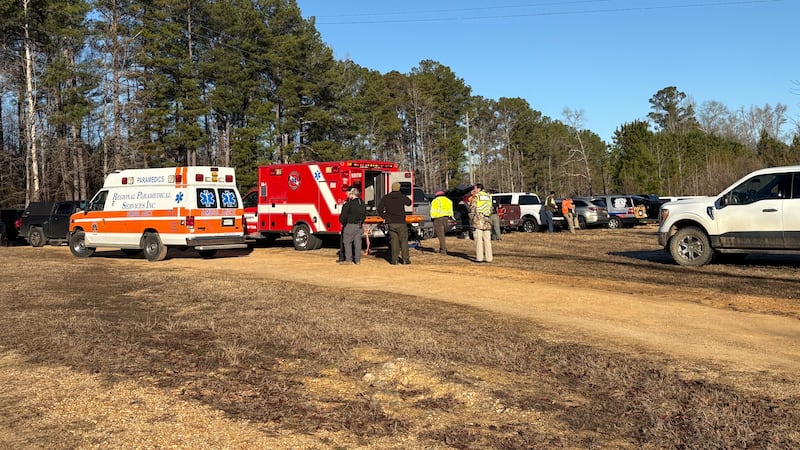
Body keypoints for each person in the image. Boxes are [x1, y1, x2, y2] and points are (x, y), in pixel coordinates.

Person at [378, 181, 412, 265]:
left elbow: (379, 209)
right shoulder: (401, 197)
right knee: (404, 241)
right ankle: (405, 260)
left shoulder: (386, 197)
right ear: (399, 188)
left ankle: (394, 260)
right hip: (401, 222)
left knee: (394, 242)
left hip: (391, 223)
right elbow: (409, 202)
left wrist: (385, 216)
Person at [339, 187, 366, 264]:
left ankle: (348, 260)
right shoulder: (362, 203)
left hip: (349, 225)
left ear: (352, 194)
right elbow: (364, 215)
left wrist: (344, 223)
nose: (347, 194)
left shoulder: (348, 204)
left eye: (348, 193)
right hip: (359, 225)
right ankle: (357, 260)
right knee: (357, 243)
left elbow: (343, 216)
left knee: (347, 242)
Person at [469, 183, 493, 263]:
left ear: (478, 189)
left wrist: (471, 218)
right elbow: (491, 209)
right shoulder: (488, 196)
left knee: (478, 239)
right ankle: (489, 258)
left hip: (478, 220)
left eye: (475, 189)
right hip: (487, 220)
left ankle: (479, 258)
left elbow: (473, 208)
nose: (474, 190)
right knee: (487, 240)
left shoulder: (477, 196)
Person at [430, 190, 454, 255]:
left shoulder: (436, 201)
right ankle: (442, 249)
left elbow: (433, 211)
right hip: (446, 218)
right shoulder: (448, 200)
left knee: (441, 235)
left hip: (438, 219)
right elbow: (451, 210)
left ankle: (443, 251)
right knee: (443, 234)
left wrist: (432, 217)